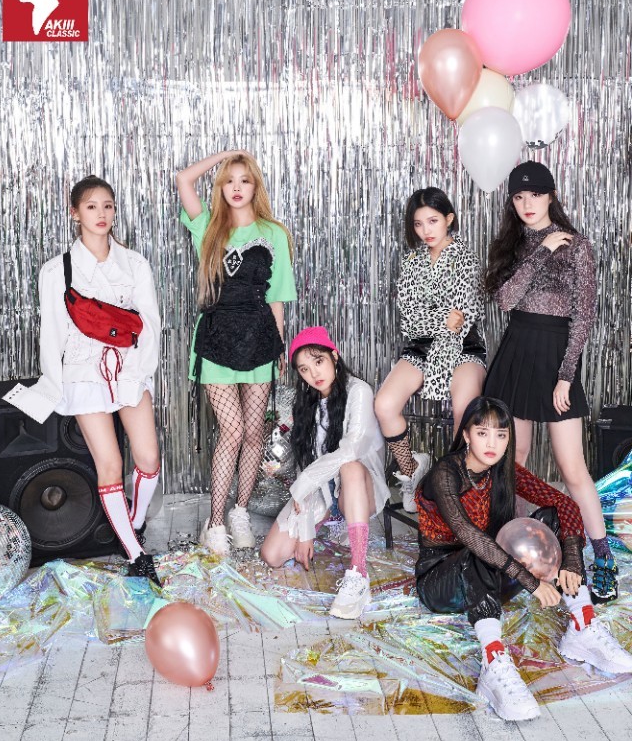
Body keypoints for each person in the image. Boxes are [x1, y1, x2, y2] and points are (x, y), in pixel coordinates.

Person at [415, 396, 632, 722]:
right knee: (478, 549)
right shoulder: (446, 474)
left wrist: (572, 561)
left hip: (493, 572)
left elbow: (565, 504)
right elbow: (469, 535)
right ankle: (494, 664)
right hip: (442, 581)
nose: (492, 443)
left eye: (501, 435)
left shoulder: (503, 470)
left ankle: (582, 624)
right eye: (483, 433)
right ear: (467, 435)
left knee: (552, 517)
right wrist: (530, 581)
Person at [6, 176, 162, 584]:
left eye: (108, 206)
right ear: (75, 213)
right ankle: (136, 554)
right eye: (91, 206)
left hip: (129, 369)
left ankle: (133, 524)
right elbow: (52, 334)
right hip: (83, 373)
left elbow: (150, 324)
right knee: (110, 465)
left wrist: (142, 371)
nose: (101, 214)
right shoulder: (56, 270)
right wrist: (54, 384)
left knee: (148, 459)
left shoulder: (135, 264)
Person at [484, 161, 616, 603]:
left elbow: (584, 318)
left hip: (557, 356)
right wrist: (541, 250)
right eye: (519, 196)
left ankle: (603, 559)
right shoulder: (513, 245)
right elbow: (506, 300)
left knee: (572, 467)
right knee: (514, 461)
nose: (527, 204)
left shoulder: (578, 247)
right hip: (517, 353)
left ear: (551, 196)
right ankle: (514, 552)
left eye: (536, 195)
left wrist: (565, 377)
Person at [177, 151, 296, 555]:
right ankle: (215, 523)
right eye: (229, 180)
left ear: (255, 186)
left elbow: (277, 296)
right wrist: (226, 156)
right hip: (216, 339)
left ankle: (239, 512)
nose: (237, 187)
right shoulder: (208, 227)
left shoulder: (273, 232)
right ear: (221, 187)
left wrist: (279, 345)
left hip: (260, 337)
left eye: (245, 179)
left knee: (253, 432)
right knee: (232, 430)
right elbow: (183, 180)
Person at [260, 326, 390, 619]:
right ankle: (326, 523)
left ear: (334, 356)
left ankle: (358, 573)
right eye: (304, 369)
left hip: (359, 489)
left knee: (350, 466)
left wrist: (304, 484)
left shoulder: (358, 391)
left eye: (318, 361)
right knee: (272, 555)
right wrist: (305, 532)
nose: (314, 374)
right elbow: (306, 465)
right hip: (322, 492)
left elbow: (351, 449)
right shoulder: (307, 403)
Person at [375, 187, 487, 513]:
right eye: (418, 223)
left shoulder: (466, 260)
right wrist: (441, 318)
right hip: (421, 347)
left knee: (464, 409)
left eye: (433, 221)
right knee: (384, 405)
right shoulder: (412, 262)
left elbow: (462, 319)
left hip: (464, 346)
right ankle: (412, 471)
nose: (426, 230)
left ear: (449, 219)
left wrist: (436, 318)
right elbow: (410, 321)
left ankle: (456, 488)